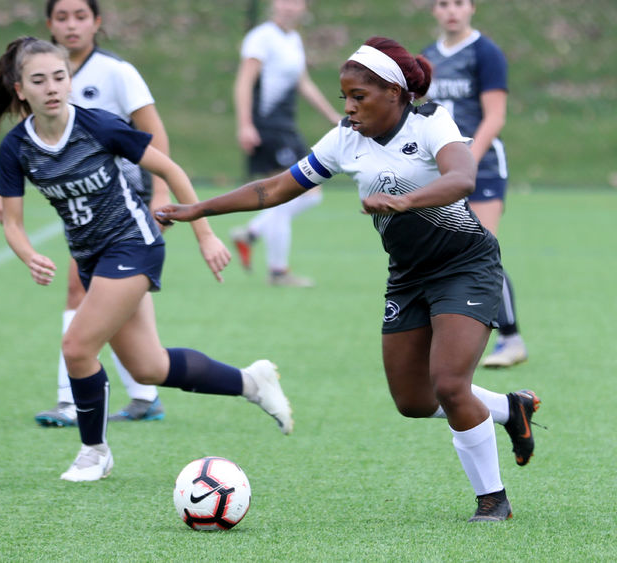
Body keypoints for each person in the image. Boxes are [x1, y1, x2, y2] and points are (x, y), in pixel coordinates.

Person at [156, 37, 540, 522]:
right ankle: (512, 408)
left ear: (396, 93)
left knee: (448, 384)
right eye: (345, 97)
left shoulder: (430, 121)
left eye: (360, 96)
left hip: (466, 266)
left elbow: (462, 178)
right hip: (408, 277)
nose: (349, 107)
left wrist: (403, 201)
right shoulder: (344, 139)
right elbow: (274, 187)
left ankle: (493, 501)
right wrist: (198, 208)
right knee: (413, 401)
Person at [0, 37, 294, 482]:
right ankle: (251, 382)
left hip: (133, 244)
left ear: (70, 80)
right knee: (149, 366)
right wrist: (29, 254)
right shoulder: (16, 147)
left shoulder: (98, 126)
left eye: (59, 76)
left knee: (76, 347)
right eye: (39, 80)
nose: (52, 87)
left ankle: (94, 451)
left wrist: (204, 235)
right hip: (92, 258)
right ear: (20, 89)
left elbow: (170, 169)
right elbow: (11, 221)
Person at [0, 0, 174, 427]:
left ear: (97, 22)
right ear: (49, 26)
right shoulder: (40, 69)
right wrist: (5, 195)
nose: (71, 25)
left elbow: (156, 134)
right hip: (82, 204)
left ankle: (70, 401)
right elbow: (29, 146)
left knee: (84, 293)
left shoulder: (117, 71)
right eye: (62, 17)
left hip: (127, 202)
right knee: (127, 310)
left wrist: (161, 193)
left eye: (80, 16)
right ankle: (145, 392)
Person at [422, 0, 527, 368]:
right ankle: (443, 338)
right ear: (434, 10)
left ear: (472, 8)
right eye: (443, 4)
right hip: (443, 169)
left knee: (481, 250)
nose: (451, 10)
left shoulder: (486, 53)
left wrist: (467, 162)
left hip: (481, 169)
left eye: (459, 3)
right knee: (441, 253)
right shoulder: (426, 58)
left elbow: (494, 117)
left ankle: (511, 340)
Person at [229, 0, 340, 287]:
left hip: (286, 127)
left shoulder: (293, 40)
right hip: (267, 126)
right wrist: (245, 125)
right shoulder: (261, 38)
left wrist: (333, 116)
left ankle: (251, 234)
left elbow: (304, 83)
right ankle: (277, 271)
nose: (290, 6)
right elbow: (243, 83)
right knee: (291, 192)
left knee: (309, 193)